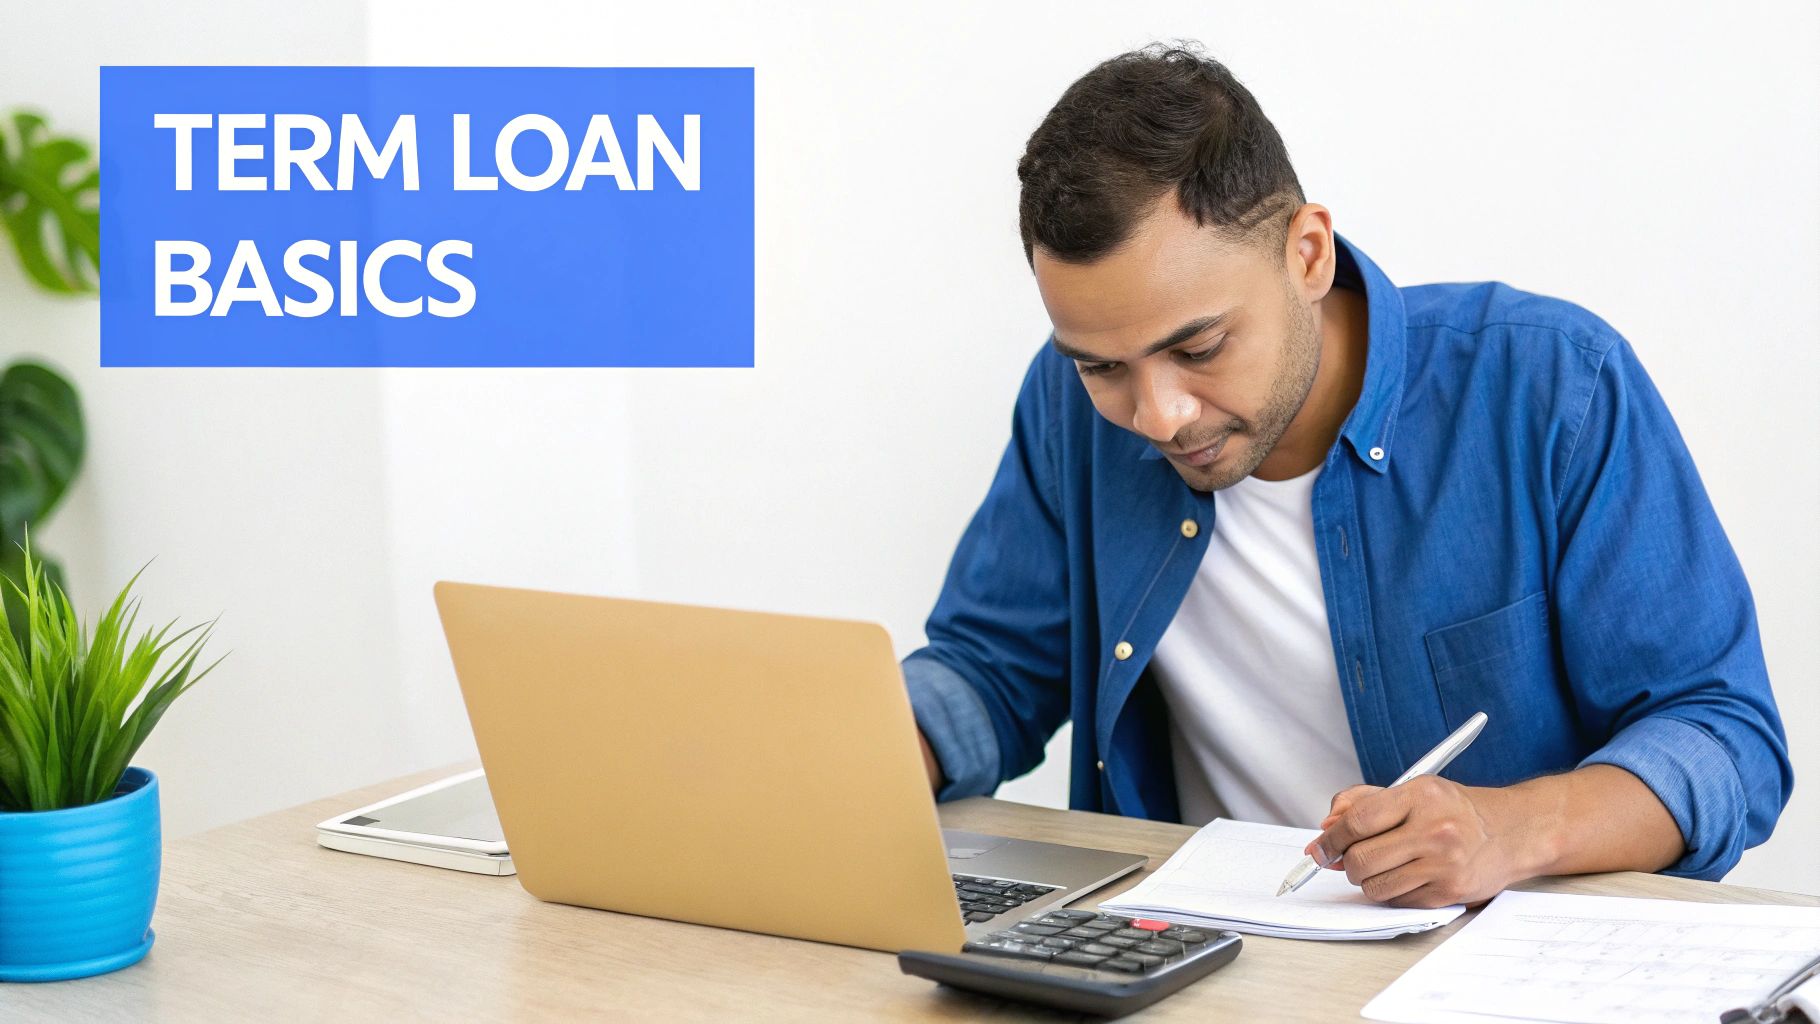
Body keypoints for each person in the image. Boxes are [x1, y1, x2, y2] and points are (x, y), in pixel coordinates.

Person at [903, 43, 1791, 908]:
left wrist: (1508, 829)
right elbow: (991, 667)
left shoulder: (1552, 387)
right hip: (1188, 957)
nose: (1158, 414)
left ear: (1309, 254)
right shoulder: (1067, 407)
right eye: (1103, 368)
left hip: (1492, 973)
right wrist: (861, 753)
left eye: (1199, 346)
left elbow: (1724, 736)